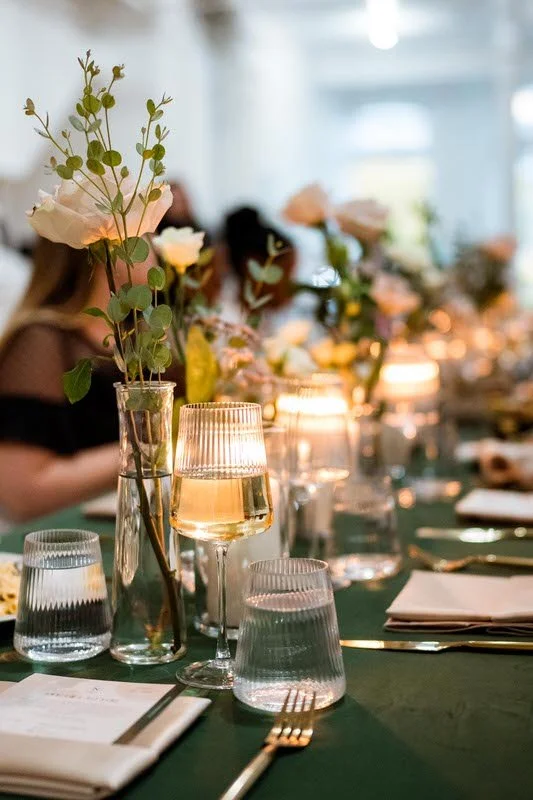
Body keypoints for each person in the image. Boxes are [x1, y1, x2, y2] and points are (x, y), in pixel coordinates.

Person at [0, 237, 123, 521]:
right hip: (56, 545)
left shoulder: (129, 338)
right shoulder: (40, 340)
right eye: (145, 237)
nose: (155, 248)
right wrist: (151, 448)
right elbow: (22, 490)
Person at [221, 206, 297, 322]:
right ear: (253, 269)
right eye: (287, 274)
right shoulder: (226, 320)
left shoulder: (284, 317)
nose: (292, 285)